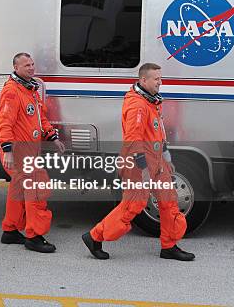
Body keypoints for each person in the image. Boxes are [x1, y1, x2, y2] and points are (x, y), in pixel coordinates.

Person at [82, 63, 195, 261]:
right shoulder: (137, 105)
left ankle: (169, 246)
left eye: (161, 78)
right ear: (144, 80)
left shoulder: (151, 101)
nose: (160, 82)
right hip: (138, 164)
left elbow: (157, 132)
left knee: (169, 201)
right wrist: (144, 169)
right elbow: (133, 140)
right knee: (133, 205)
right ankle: (94, 237)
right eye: (156, 79)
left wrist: (166, 157)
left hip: (157, 161)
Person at [0, 52, 65, 253]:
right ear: (16, 68)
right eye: (26, 65)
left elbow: (39, 118)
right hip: (17, 152)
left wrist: (53, 136)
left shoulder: (30, 90)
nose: (31, 68)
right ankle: (34, 236)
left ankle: (10, 231)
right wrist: (7, 150)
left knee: (18, 189)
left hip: (28, 152)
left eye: (32, 64)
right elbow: (4, 122)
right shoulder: (12, 91)